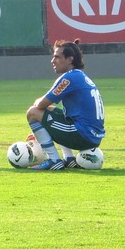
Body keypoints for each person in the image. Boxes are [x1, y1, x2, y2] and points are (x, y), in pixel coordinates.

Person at [25, 39, 106, 170]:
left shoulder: (69, 78)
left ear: (70, 59)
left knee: (33, 112)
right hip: (93, 136)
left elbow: (41, 104)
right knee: (51, 110)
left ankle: (54, 160)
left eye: (57, 57)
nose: (53, 61)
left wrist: (42, 130)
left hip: (82, 135)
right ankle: (69, 159)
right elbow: (47, 107)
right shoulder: (80, 76)